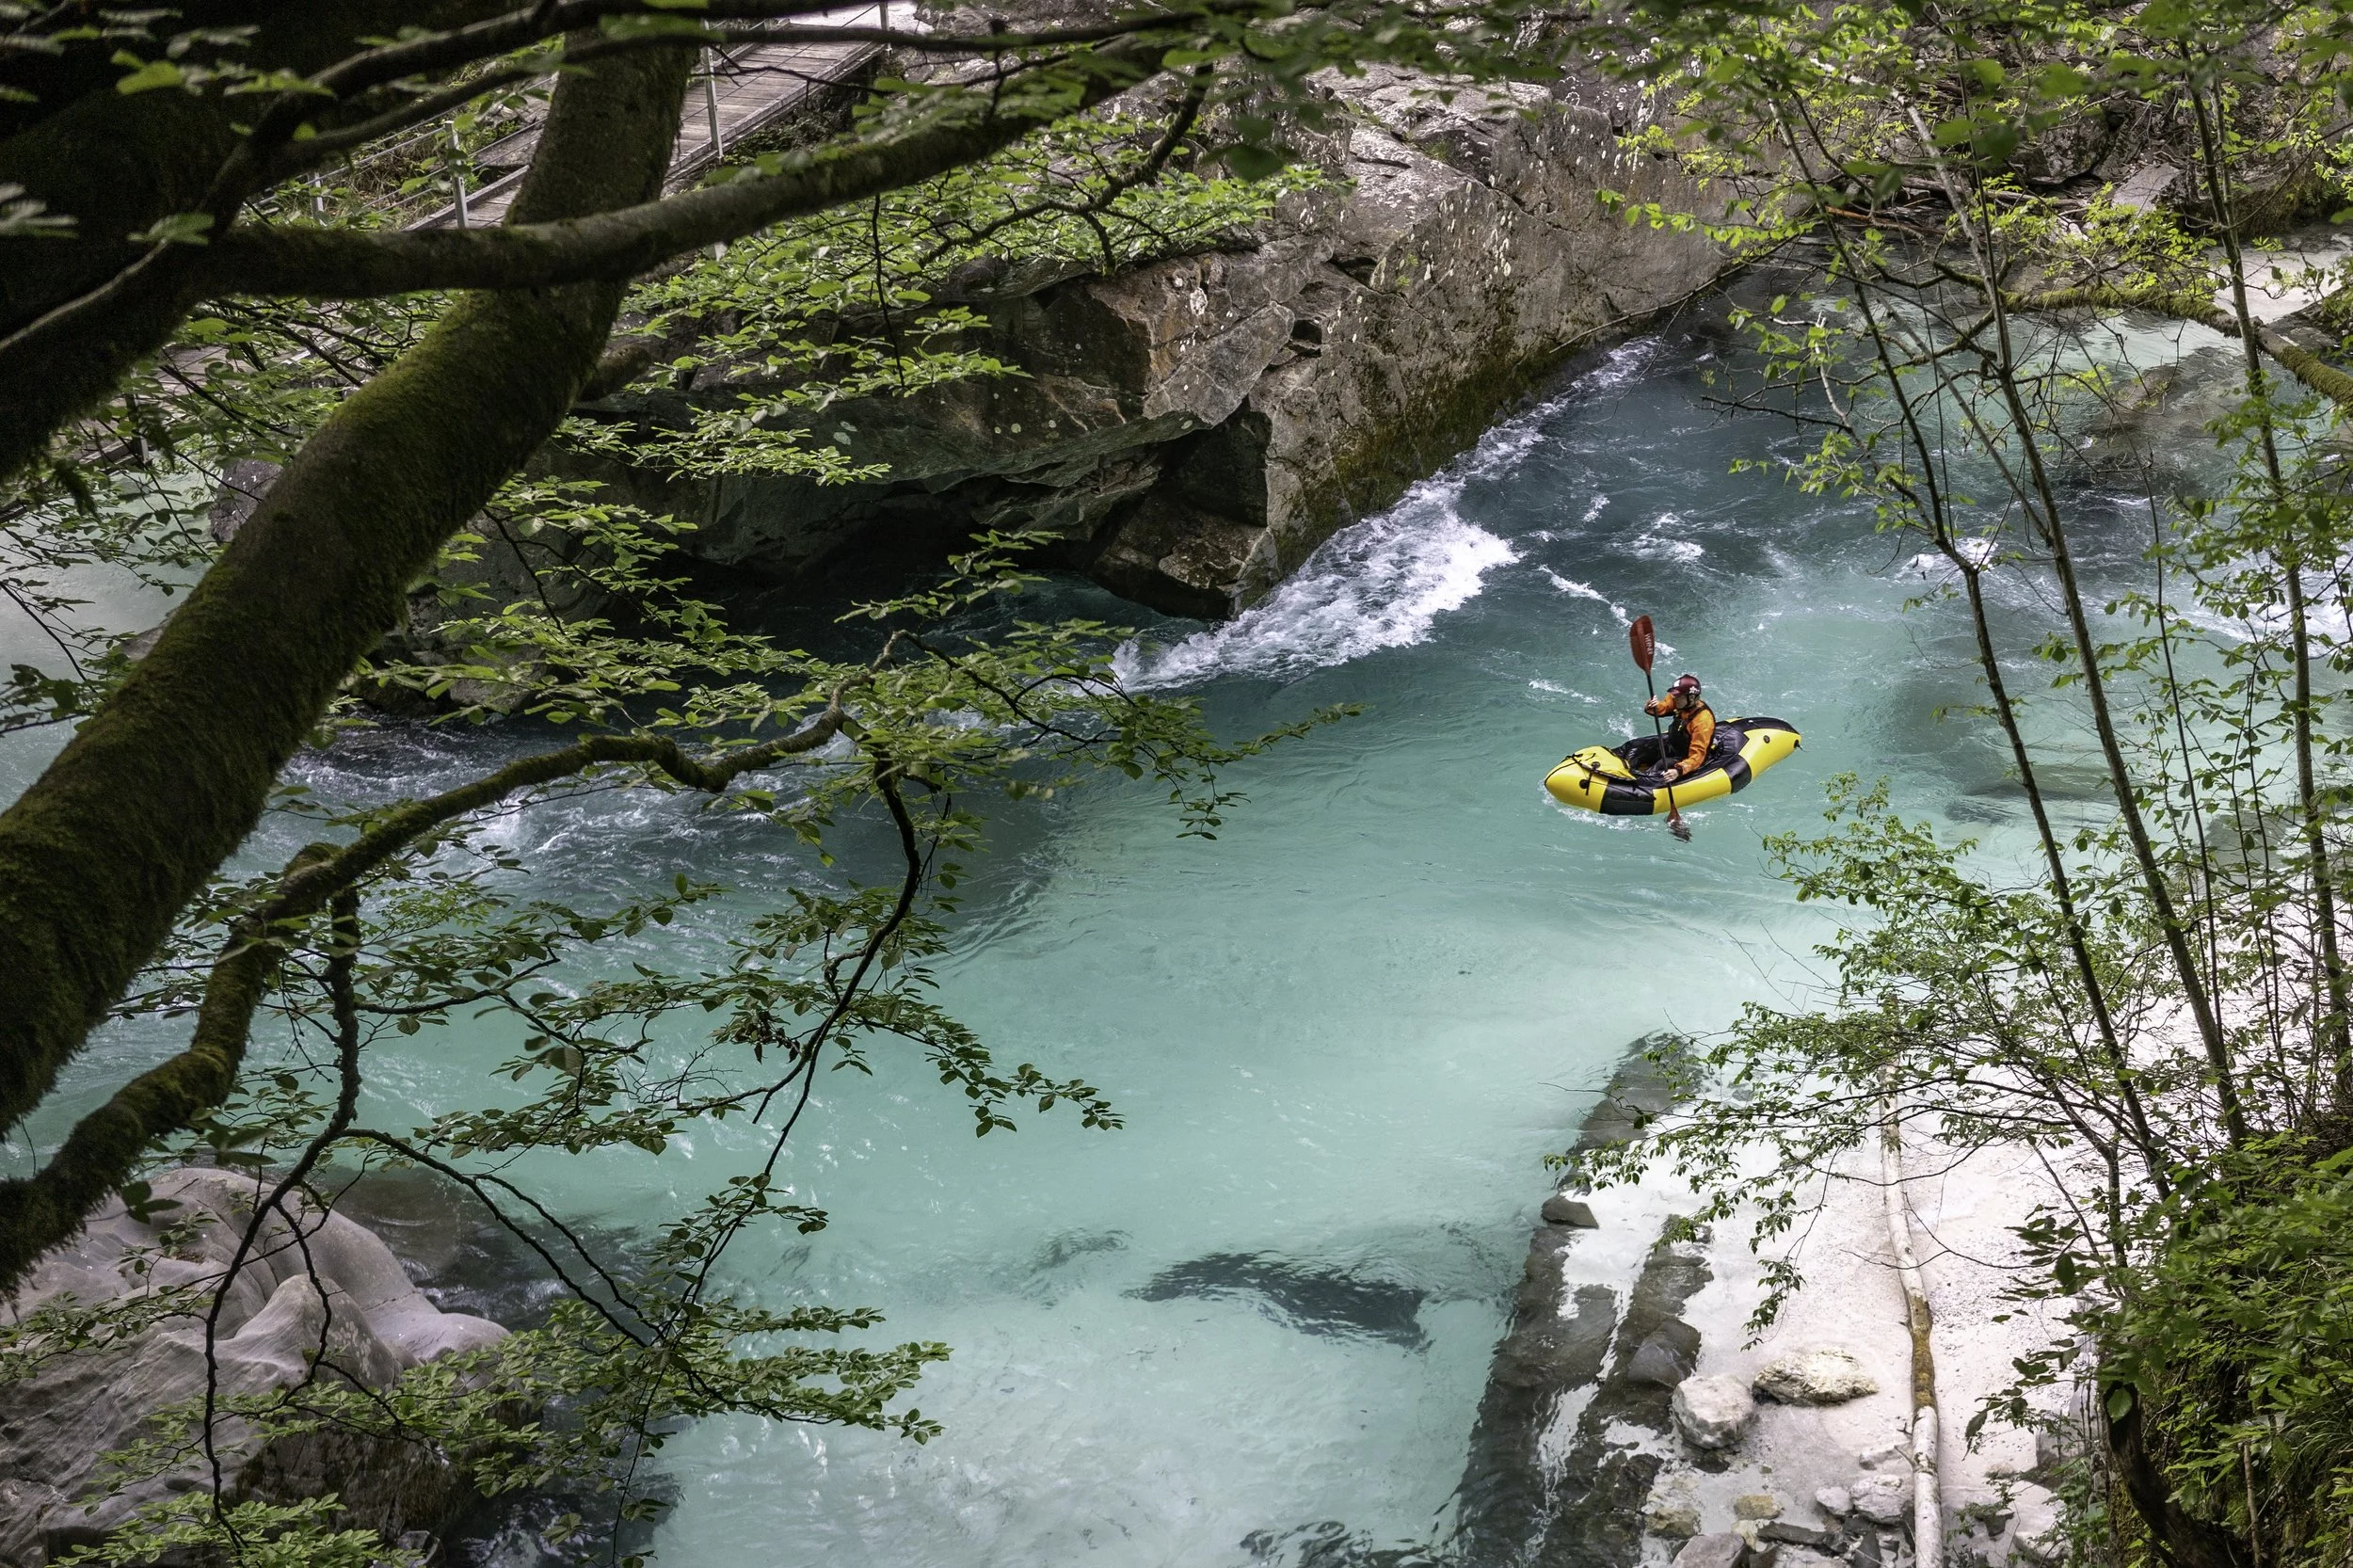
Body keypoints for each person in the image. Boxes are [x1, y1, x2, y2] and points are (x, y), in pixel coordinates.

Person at [1643, 674, 1715, 782]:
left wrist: (1679, 770)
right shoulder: (1681, 701)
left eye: (1678, 697)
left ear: (1691, 697)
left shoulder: (1703, 721)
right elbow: (1665, 706)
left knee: (1661, 765)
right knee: (1638, 748)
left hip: (1686, 757)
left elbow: (1697, 755)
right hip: (1673, 745)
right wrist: (1653, 706)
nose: (1674, 698)